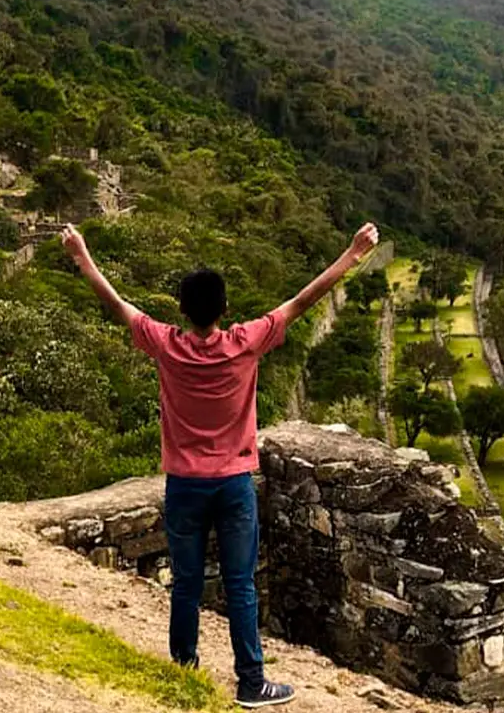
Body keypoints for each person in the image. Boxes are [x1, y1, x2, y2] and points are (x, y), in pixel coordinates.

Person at [61, 221, 380, 709]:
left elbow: (116, 304)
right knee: (240, 583)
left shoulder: (165, 344)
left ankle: (185, 670)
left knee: (186, 582)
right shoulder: (246, 342)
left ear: (183, 310)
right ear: (225, 310)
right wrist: (353, 254)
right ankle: (251, 682)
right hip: (233, 483)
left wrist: (82, 256)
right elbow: (304, 299)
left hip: (184, 484)